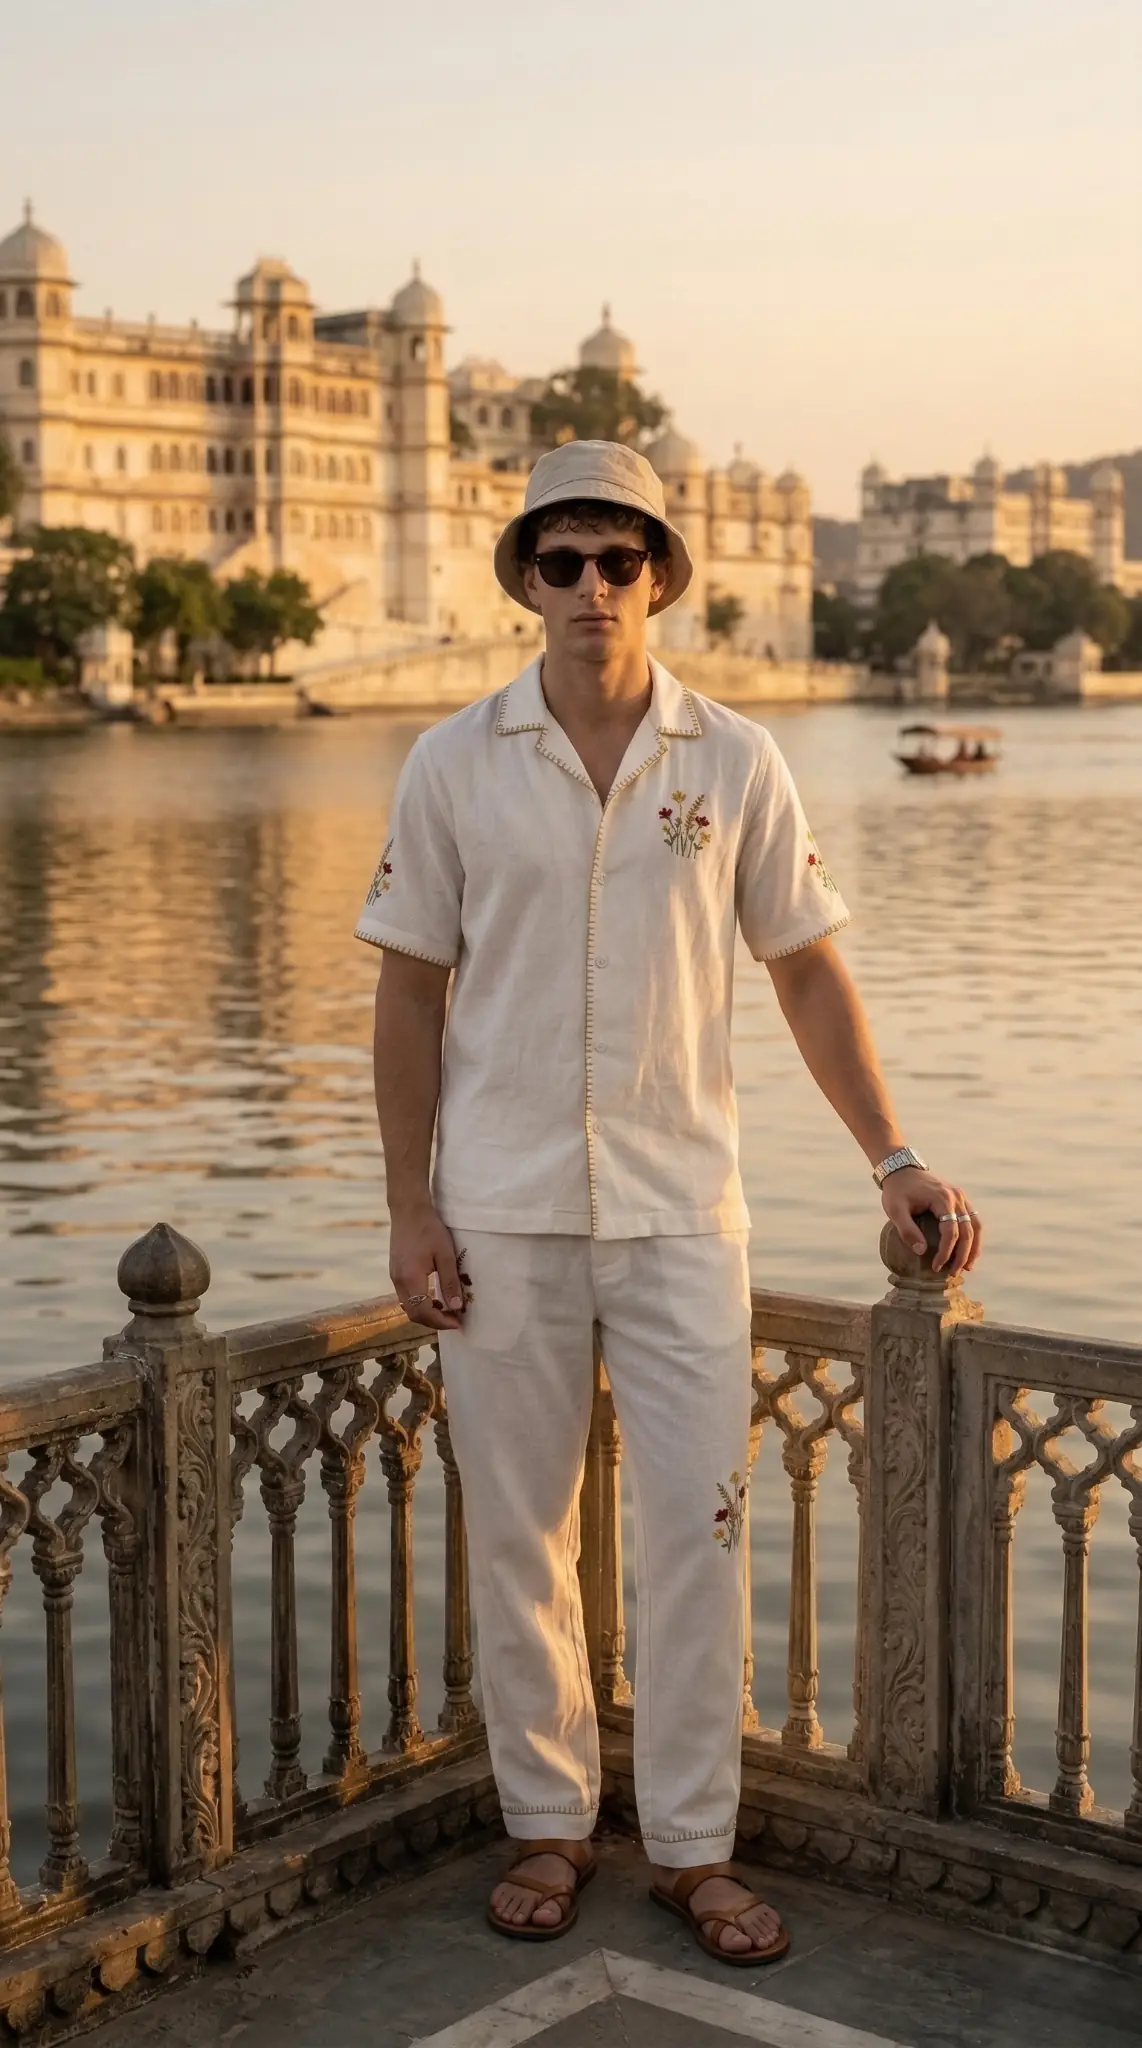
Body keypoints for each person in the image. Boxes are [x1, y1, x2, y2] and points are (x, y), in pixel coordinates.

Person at [357, 440, 982, 1966]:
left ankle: (695, 1847)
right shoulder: (449, 760)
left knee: (699, 1532)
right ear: (521, 579)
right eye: (557, 560)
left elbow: (805, 969)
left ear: (658, 578)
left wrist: (891, 1156)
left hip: (682, 1204)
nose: (587, 587)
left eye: (615, 559)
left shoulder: (734, 760)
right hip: (500, 1210)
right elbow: (407, 993)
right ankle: (550, 1824)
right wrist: (408, 1206)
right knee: (516, 1537)